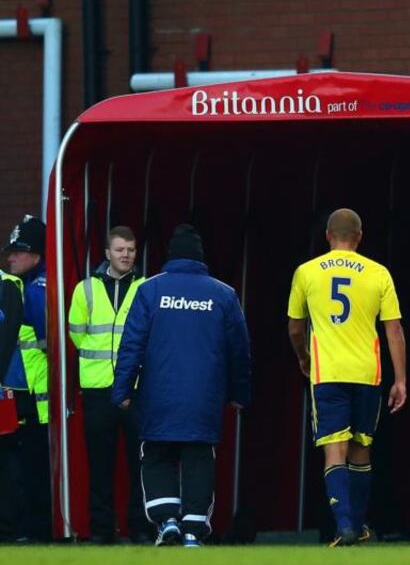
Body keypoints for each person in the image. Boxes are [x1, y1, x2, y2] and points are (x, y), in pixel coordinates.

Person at [112, 224, 251, 547]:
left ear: (170, 255)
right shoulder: (223, 294)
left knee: (157, 454)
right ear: (201, 258)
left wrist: (121, 391)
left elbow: (131, 345)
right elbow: (240, 352)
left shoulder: (149, 290)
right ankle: (192, 530)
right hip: (204, 397)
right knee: (198, 456)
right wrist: (240, 394)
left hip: (157, 395)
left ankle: (167, 522)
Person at [287, 208, 407, 547]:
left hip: (328, 372)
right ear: (360, 236)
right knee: (361, 448)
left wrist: (303, 357)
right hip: (367, 373)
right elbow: (393, 328)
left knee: (334, 449)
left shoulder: (307, 272)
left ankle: (344, 526)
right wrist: (401, 380)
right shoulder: (378, 273)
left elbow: (295, 326)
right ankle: (358, 523)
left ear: (327, 235)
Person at [68, 225, 149, 543]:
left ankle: (139, 529)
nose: (125, 255)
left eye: (130, 249)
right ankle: (102, 531)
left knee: (139, 465)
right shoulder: (86, 288)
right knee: (100, 467)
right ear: (107, 254)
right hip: (98, 389)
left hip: (135, 388)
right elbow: (76, 332)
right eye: (119, 249)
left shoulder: (146, 287)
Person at [2, 215, 51, 541]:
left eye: (20, 251)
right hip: (29, 398)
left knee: (31, 468)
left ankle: (34, 530)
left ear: (36, 254)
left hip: (35, 401)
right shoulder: (25, 287)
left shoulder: (34, 291)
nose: (11, 257)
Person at [0, 266, 25, 542]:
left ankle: (7, 530)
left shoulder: (8, 286)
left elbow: (6, 339)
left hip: (3, 388)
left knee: (4, 462)